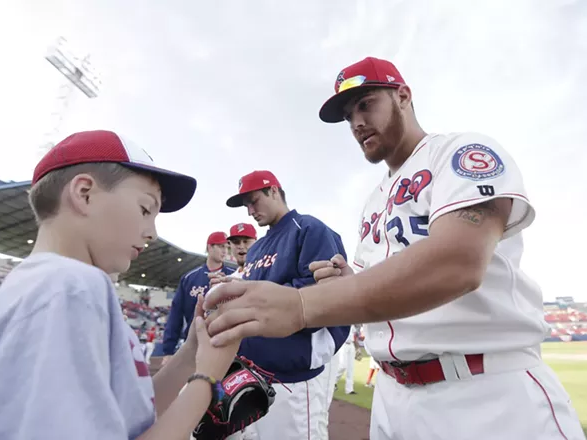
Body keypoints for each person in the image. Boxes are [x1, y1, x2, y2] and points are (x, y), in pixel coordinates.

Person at [203, 57, 586, 440]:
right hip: (393, 395)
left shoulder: (458, 153)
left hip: (484, 392)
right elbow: (381, 294)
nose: (356, 123)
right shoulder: (373, 200)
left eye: (366, 104)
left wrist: (302, 306)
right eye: (349, 116)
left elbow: (459, 262)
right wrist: (350, 280)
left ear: (403, 95)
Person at [0, 130, 242, 439]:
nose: (152, 232)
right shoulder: (72, 286)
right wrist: (207, 379)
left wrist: (191, 353)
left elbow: (130, 418)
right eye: (146, 209)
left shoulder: (48, 282)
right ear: (84, 194)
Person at [220, 170, 350, 440]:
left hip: (294, 377)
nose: (249, 211)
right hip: (255, 375)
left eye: (253, 201)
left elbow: (327, 294)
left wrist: (254, 301)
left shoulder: (308, 229)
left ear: (274, 191)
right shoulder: (257, 249)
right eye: (246, 206)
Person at [161, 231, 235, 365]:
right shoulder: (189, 278)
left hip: (226, 343)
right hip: (195, 344)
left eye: (227, 247)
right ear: (209, 247)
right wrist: (168, 350)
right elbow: (176, 314)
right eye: (220, 246)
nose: (225, 251)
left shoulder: (234, 276)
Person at [335, 325, 358, 395]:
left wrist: (358, 348)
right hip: (343, 345)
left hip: (351, 345)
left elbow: (354, 337)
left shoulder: (352, 325)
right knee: (343, 366)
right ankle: (333, 381)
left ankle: (349, 389)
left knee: (351, 368)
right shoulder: (342, 323)